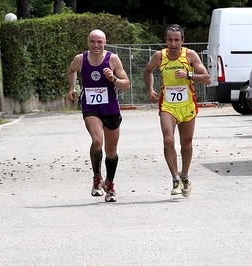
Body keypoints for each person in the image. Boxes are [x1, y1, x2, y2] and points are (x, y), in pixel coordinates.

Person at [143, 24, 212, 197]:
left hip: (187, 105)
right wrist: (150, 89)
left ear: (182, 40)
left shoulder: (189, 55)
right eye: (169, 40)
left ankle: (185, 175)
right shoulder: (159, 56)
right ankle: (175, 178)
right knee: (168, 140)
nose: (173, 44)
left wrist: (189, 75)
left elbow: (207, 79)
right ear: (165, 40)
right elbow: (148, 71)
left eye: (176, 40)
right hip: (167, 105)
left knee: (186, 144)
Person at [67, 29, 130, 202]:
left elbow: (126, 85)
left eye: (99, 42)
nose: (96, 45)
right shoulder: (80, 59)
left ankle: (109, 184)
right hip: (91, 108)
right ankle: (97, 177)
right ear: (88, 42)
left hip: (110, 109)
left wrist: (114, 80)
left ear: (105, 42)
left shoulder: (113, 59)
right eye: (93, 41)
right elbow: (71, 70)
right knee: (97, 141)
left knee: (111, 151)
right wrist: (72, 88)